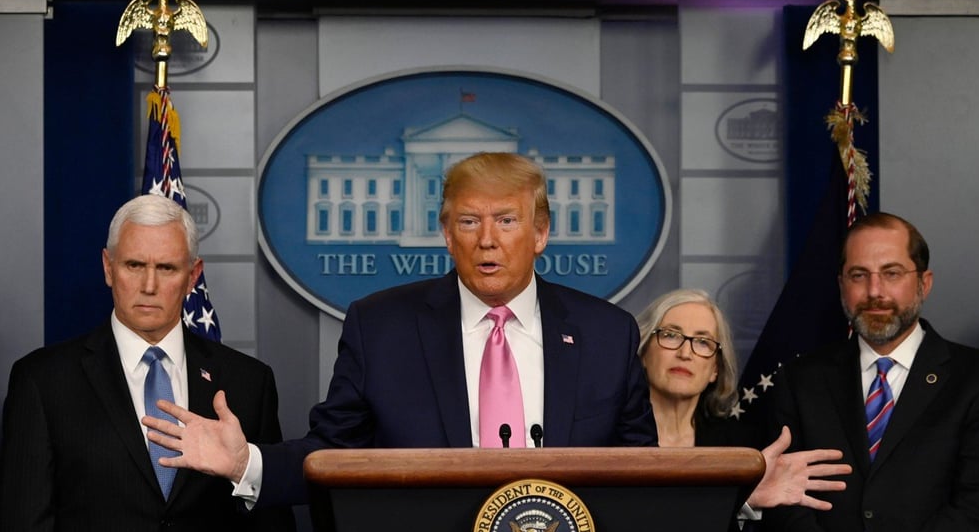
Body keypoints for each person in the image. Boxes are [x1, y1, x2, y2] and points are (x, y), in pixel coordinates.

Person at [145, 151, 656, 508]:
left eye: (506, 220)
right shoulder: (382, 328)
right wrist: (246, 464)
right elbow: (333, 454)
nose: (487, 242)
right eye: (469, 222)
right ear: (445, 233)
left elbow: (643, 476)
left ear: (541, 233)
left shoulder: (606, 334)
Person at [0, 194, 296, 532]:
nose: (149, 285)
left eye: (166, 268)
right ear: (108, 268)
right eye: (134, 265)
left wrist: (242, 468)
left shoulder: (247, 383)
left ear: (192, 276)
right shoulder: (43, 382)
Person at [763, 212, 979, 532]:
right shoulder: (800, 380)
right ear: (841, 285)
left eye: (891, 273)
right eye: (859, 275)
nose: (874, 291)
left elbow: (975, 509)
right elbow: (785, 502)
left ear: (925, 282)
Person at [637, 289, 851, 532]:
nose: (686, 352)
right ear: (644, 352)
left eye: (703, 342)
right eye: (671, 335)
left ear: (715, 369)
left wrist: (748, 504)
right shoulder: (605, 441)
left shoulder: (744, 452)